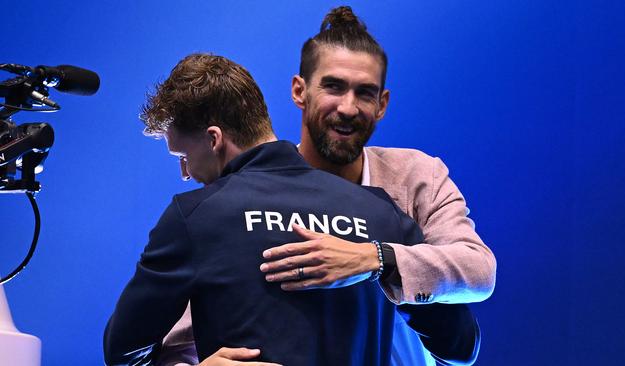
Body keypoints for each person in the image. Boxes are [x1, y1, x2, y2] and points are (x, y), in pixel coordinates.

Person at [159, 6, 494, 366]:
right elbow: (175, 344)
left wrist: (374, 259)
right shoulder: (249, 196)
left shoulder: (416, 176)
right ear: (299, 91)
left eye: (365, 93)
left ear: (382, 104)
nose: (348, 108)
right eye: (333, 87)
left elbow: (478, 271)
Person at [104, 53, 466, 366]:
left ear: (214, 139)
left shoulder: (195, 216)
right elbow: (461, 346)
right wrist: (381, 268)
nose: (186, 173)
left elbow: (123, 352)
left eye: (183, 157)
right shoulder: (379, 212)